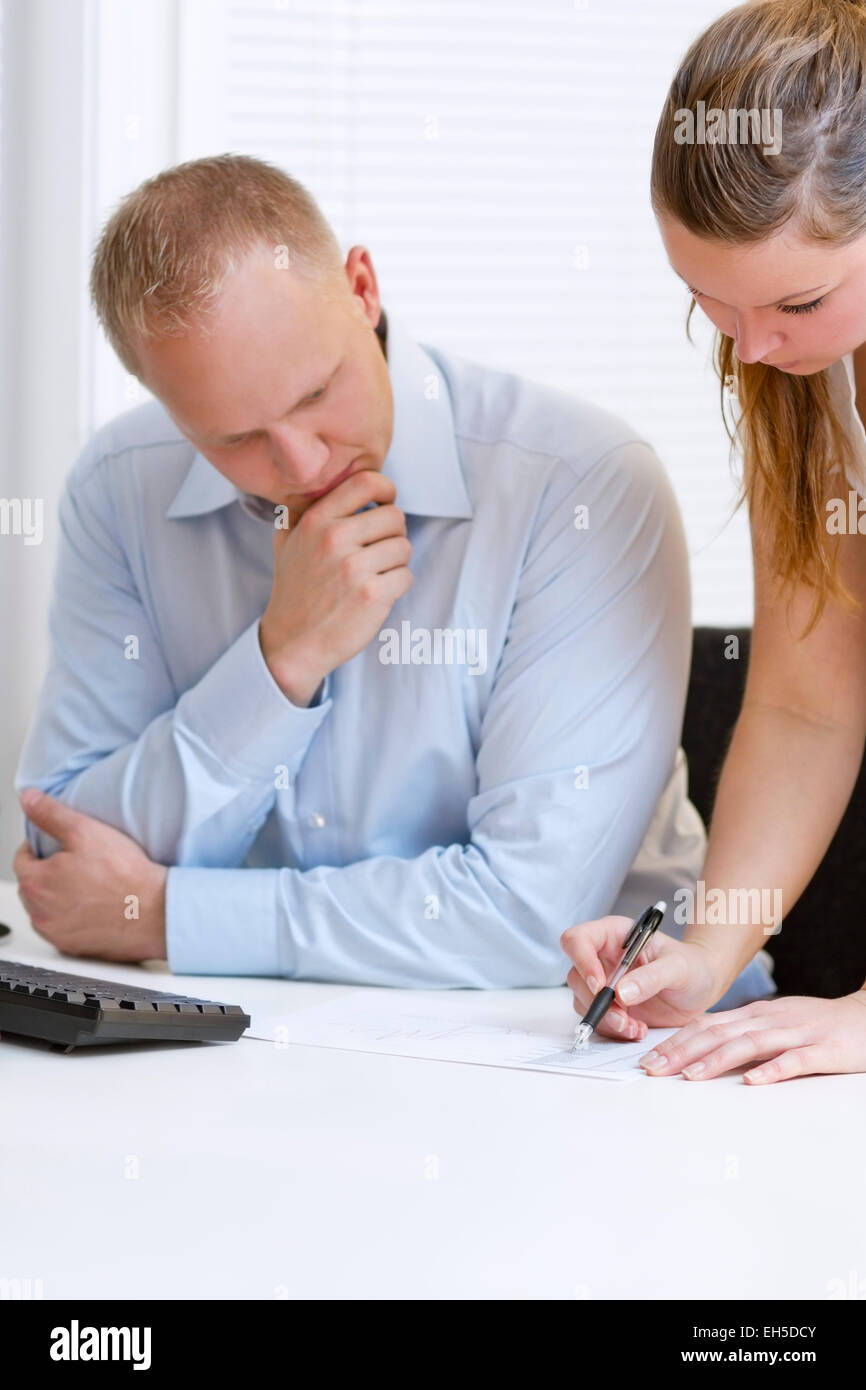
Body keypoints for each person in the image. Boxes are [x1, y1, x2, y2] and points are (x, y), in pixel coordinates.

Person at [13, 153, 773, 1005]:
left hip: (599, 1047)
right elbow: (62, 859)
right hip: (273, 1040)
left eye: (315, 392)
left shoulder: (579, 482)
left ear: (363, 287)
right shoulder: (120, 484)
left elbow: (531, 914)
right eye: (234, 440)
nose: (299, 463)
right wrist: (282, 659)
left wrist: (166, 916)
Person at [563, 0, 866, 1082]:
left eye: (796, 298)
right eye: (709, 302)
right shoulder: (797, 371)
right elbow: (802, 703)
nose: (754, 346)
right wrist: (703, 951)